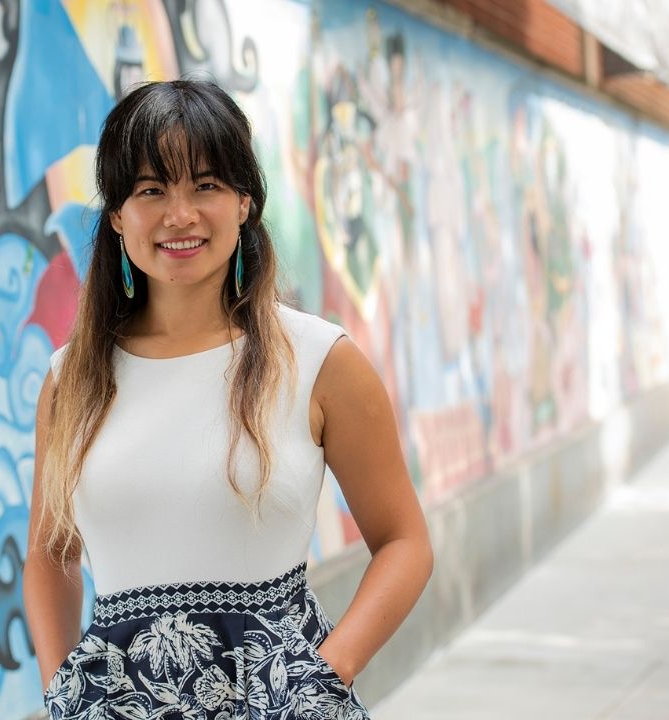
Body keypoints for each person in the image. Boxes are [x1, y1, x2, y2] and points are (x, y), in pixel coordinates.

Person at [23, 79, 433, 719]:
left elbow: (404, 541)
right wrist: (63, 694)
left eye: (206, 185)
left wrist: (322, 679)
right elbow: (52, 555)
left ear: (244, 203)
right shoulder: (71, 379)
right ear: (117, 216)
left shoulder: (320, 360)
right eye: (151, 190)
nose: (180, 215)